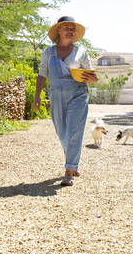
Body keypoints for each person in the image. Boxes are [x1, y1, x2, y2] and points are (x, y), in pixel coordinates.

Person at [32, 16, 98, 186]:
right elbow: (42, 74)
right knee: (62, 133)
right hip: (56, 96)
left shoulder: (81, 52)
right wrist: (37, 95)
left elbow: (90, 74)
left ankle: (69, 170)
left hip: (78, 94)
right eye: (66, 27)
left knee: (74, 132)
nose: (70, 30)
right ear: (59, 31)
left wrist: (92, 78)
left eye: (72, 28)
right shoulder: (48, 52)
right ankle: (72, 161)